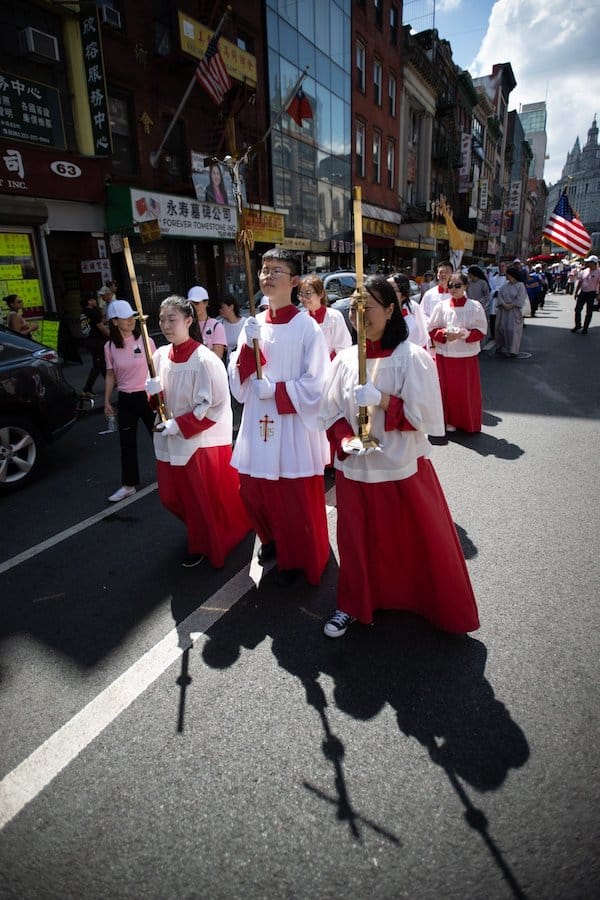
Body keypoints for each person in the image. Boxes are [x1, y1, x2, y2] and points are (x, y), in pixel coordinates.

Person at [318, 275, 479, 639]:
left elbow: (424, 419)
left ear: (391, 309)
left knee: (412, 539)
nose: (360, 316)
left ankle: (423, 600)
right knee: (356, 541)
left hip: (401, 466)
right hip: (355, 468)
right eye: (354, 308)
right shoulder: (343, 360)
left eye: (368, 307)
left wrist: (382, 399)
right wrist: (345, 440)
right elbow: (328, 413)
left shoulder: (412, 357)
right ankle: (353, 603)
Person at [228, 248, 331, 587]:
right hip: (258, 424)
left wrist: (275, 390)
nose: (267, 276)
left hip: (291, 425)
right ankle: (270, 539)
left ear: (295, 280)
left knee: (293, 496)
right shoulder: (253, 325)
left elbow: (318, 384)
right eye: (264, 269)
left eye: (276, 270)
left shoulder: (307, 329)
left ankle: (301, 555)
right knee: (254, 491)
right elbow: (238, 382)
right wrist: (246, 350)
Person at [146, 295, 251, 568]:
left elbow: (214, 405)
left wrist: (180, 424)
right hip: (170, 438)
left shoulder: (204, 359)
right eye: (161, 319)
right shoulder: (158, 356)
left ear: (189, 320)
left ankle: (204, 544)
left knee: (199, 499)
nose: (166, 325)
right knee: (171, 496)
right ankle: (207, 528)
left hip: (198, 441)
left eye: (173, 319)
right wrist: (153, 394)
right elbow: (158, 402)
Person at [104, 299, 156, 503]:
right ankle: (128, 485)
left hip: (148, 396)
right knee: (127, 444)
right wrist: (107, 401)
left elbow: (156, 367)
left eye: (131, 317)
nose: (130, 321)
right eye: (125, 318)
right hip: (125, 398)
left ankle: (174, 475)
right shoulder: (110, 346)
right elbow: (110, 374)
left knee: (160, 438)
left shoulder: (145, 340)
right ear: (115, 322)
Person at [427, 271, 487, 433]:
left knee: (465, 391)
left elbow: (481, 330)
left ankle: (467, 422)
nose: (453, 289)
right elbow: (431, 328)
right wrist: (445, 334)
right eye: (450, 285)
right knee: (446, 390)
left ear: (466, 286)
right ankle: (448, 420)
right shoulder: (441, 306)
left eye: (457, 285)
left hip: (466, 356)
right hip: (445, 355)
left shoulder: (474, 306)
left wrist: (465, 334)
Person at [297, 274, 351, 358]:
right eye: (301, 294)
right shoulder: (302, 320)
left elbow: (343, 346)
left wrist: (324, 363)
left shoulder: (334, 317)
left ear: (320, 294)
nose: (303, 298)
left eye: (308, 293)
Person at [80, 291, 109, 398]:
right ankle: (87, 388)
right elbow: (101, 327)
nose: (95, 301)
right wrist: (111, 337)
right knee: (98, 365)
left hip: (89, 341)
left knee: (101, 363)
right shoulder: (93, 312)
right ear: (89, 301)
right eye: (93, 299)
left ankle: (110, 383)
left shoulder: (83, 312)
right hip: (97, 341)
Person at [388, 274, 429, 348]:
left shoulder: (412, 311)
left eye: (392, 289)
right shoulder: (377, 310)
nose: (386, 293)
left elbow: (422, 340)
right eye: (385, 288)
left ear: (403, 296)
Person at [494, 266, 527, 357]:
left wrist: (512, 305)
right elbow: (500, 296)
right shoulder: (505, 286)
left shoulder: (520, 285)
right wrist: (504, 304)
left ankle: (512, 350)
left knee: (512, 330)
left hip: (514, 311)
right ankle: (502, 348)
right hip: (503, 310)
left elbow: (521, 298)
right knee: (500, 329)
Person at [187, 285, 227, 360]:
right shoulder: (186, 325)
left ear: (206, 303)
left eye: (197, 303)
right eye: (191, 304)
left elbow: (218, 355)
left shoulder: (216, 326)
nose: (194, 307)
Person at [420, 260, 454, 329]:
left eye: (447, 272)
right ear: (437, 275)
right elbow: (422, 313)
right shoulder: (429, 294)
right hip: (433, 332)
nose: (444, 275)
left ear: (452, 274)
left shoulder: (458, 293)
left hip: (452, 332)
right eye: (441, 272)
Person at [572, 255, 600, 334]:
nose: (587, 263)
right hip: (583, 292)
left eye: (589, 262)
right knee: (577, 309)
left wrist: (599, 295)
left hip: (592, 293)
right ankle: (578, 325)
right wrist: (576, 292)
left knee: (589, 311)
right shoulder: (585, 271)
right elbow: (580, 282)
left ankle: (585, 328)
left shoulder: (598, 272)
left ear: (594, 263)